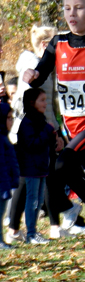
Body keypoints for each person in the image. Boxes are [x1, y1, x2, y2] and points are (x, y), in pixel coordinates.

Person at [22, 0, 85, 253]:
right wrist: (31, 75)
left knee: (62, 166)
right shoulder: (58, 43)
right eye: (67, 8)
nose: (71, 14)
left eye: (79, 8)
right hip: (71, 128)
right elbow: (41, 73)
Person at [6, 25, 81, 243]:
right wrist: (51, 130)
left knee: (36, 179)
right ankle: (55, 222)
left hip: (34, 130)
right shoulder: (34, 68)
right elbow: (32, 102)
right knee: (44, 178)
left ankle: (18, 230)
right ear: (44, 45)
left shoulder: (39, 68)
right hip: (33, 132)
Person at [17, 88, 56, 244]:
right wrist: (48, 131)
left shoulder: (40, 120)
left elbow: (45, 142)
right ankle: (31, 234)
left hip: (41, 167)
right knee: (32, 200)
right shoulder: (28, 123)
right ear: (32, 103)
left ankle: (34, 232)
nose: (45, 104)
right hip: (31, 168)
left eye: (46, 100)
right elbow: (32, 144)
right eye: (42, 100)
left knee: (39, 201)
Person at [0, 103, 19, 248]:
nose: (11, 121)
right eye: (8, 118)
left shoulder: (4, 137)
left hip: (5, 185)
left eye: (12, 118)